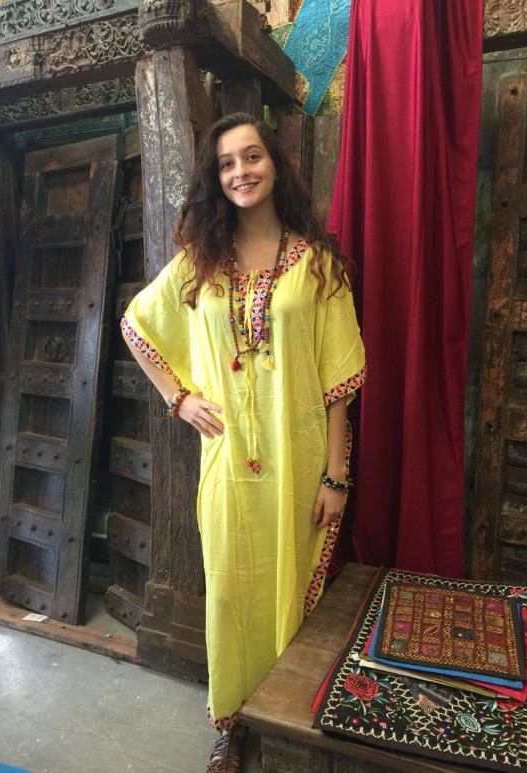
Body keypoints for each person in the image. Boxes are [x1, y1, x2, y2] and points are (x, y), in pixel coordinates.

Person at [121, 112, 366, 772]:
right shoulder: (200, 264)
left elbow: (339, 382)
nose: (240, 172)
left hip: (299, 464)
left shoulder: (317, 265)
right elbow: (138, 324)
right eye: (226, 163)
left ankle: (285, 726)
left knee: (289, 593)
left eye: (252, 156)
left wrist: (336, 475)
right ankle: (232, 723)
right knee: (231, 595)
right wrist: (178, 397)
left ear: (275, 165)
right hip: (228, 467)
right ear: (215, 177)